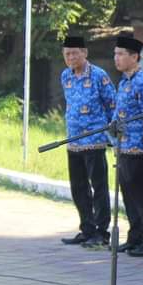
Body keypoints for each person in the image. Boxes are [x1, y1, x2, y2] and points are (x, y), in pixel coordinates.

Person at [60, 36, 116, 248]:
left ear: (85, 53)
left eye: (75, 53)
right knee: (78, 187)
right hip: (73, 140)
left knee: (99, 187)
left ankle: (101, 232)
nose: (71, 57)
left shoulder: (99, 76)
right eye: (67, 54)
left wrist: (113, 137)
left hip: (94, 140)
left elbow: (112, 105)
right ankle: (87, 228)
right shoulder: (65, 76)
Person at [111, 36, 143, 254]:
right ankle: (135, 236)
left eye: (121, 54)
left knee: (142, 196)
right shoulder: (124, 81)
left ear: (135, 57)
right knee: (129, 196)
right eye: (115, 54)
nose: (117, 58)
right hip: (123, 147)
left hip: (139, 149)